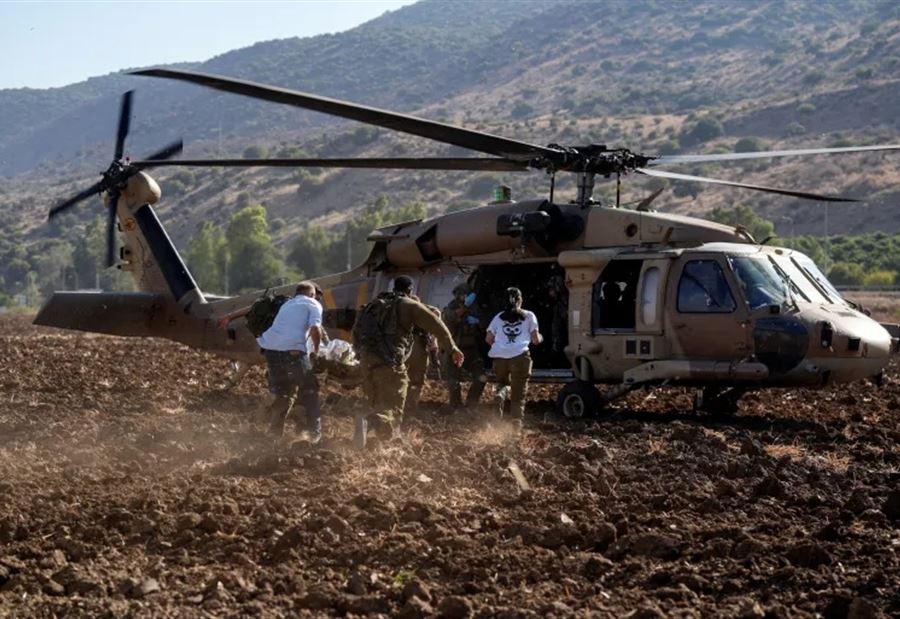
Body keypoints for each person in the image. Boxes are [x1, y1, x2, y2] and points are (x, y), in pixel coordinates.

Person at [352, 275, 464, 443]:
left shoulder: (373, 305)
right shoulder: (408, 305)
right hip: (389, 362)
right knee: (395, 405)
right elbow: (436, 325)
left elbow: (356, 332)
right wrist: (452, 347)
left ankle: (377, 440)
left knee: (378, 400)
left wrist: (360, 355)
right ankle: (372, 423)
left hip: (367, 360)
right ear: (410, 290)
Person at [256, 281, 323, 440]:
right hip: (293, 352)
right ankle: (314, 434)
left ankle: (274, 434)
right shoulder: (313, 303)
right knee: (310, 389)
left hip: (271, 351)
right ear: (312, 294)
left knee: (283, 393)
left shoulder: (286, 305)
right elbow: (315, 328)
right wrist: (317, 351)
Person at [486, 287, 542, 432]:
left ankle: (500, 396)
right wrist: (540, 338)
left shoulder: (498, 317)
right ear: (520, 300)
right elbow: (535, 340)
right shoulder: (529, 316)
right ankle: (515, 429)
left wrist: (501, 346)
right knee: (518, 395)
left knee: (502, 383)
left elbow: (488, 339)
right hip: (520, 357)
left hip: (499, 358)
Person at [441, 283, 487, 411]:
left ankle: (471, 405)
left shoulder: (474, 308)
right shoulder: (450, 308)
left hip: (471, 350)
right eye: (463, 294)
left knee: (481, 378)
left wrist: (478, 321)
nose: (465, 297)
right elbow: (451, 318)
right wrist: (465, 307)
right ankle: (455, 406)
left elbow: (486, 325)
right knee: (453, 380)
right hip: (455, 349)